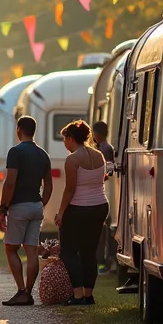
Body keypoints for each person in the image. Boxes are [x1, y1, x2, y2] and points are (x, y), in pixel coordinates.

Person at [0, 115, 53, 306]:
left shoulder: (15, 152)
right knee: (31, 250)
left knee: (10, 247)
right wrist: (40, 204)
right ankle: (29, 292)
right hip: (36, 206)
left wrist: (3, 208)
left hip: (19, 206)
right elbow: (49, 186)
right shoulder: (43, 154)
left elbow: (10, 182)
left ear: (19, 129)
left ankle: (21, 290)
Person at [54, 120, 110, 306]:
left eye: (64, 139)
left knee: (68, 251)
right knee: (89, 252)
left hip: (79, 208)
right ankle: (88, 295)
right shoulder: (99, 155)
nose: (64, 143)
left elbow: (70, 189)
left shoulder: (73, 159)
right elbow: (102, 179)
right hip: (100, 205)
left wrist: (61, 212)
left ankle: (77, 295)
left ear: (71, 138)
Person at [91, 121, 117, 275]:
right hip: (102, 193)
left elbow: (110, 170)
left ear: (98, 134)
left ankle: (102, 261)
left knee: (102, 231)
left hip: (103, 193)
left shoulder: (105, 149)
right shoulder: (103, 148)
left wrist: (98, 178)